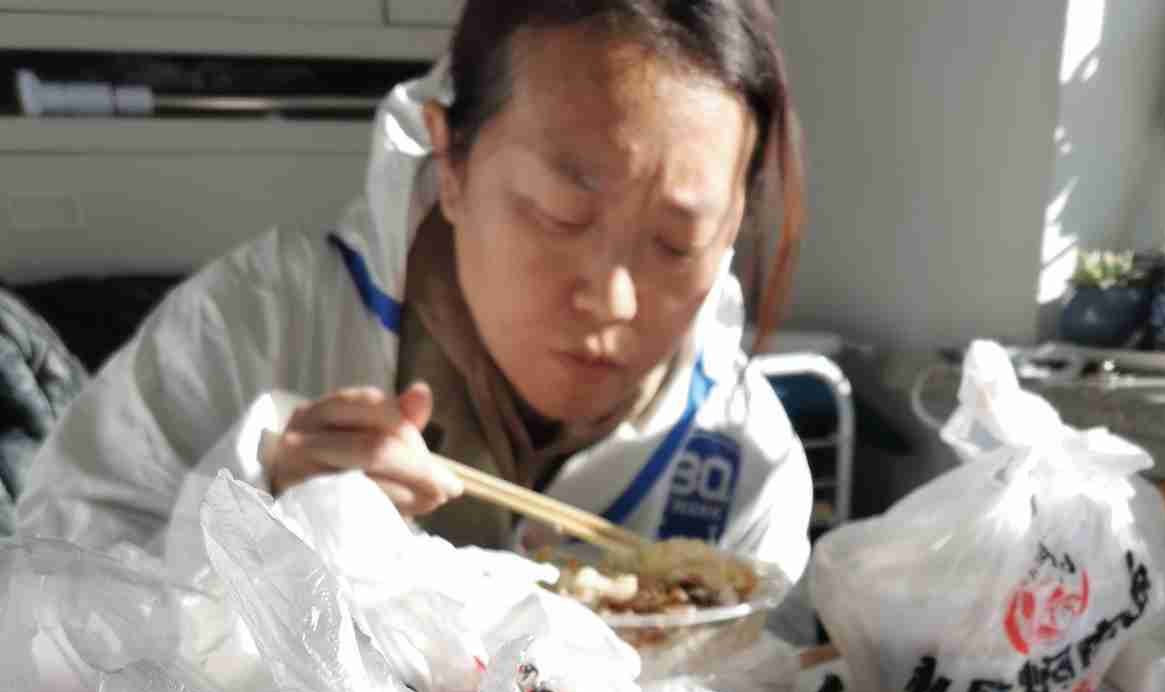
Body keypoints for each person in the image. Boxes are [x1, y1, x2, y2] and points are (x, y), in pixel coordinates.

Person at [18, 0, 813, 584]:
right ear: (451, 162)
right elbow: (41, 616)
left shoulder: (743, 460)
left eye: (678, 243)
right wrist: (252, 516)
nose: (614, 302)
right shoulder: (258, 326)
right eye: (559, 214)